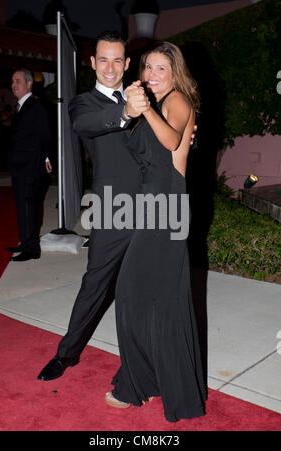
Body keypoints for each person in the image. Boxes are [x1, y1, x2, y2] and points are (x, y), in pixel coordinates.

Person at [37, 31, 196, 382]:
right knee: (96, 283)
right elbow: (85, 125)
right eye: (103, 60)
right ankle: (67, 354)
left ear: (127, 64)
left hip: (157, 209)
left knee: (148, 291)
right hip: (114, 210)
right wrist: (125, 111)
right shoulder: (84, 104)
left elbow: (170, 137)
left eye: (117, 60)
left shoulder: (150, 96)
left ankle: (145, 365)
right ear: (92, 63)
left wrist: (185, 136)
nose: (110, 67)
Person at [105, 41, 207, 422]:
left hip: (167, 207)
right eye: (148, 67)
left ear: (174, 72)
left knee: (134, 293)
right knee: (154, 299)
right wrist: (132, 111)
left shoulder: (177, 101)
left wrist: (146, 111)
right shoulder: (152, 105)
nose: (151, 74)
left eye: (161, 68)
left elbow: (172, 142)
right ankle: (153, 381)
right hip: (151, 205)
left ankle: (137, 385)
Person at [7, 68, 52, 262]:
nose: (13, 85)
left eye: (17, 81)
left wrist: (47, 158)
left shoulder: (35, 106)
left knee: (28, 206)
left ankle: (32, 249)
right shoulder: (21, 106)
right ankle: (25, 242)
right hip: (19, 165)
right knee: (22, 206)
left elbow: (45, 135)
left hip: (30, 165)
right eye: (12, 81)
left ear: (28, 84)